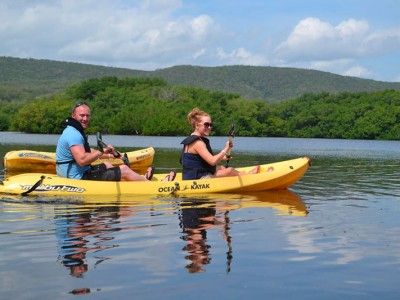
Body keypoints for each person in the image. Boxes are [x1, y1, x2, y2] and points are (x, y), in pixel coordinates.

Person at [56, 101, 174, 181]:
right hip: (76, 178)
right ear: (73, 116)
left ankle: (139, 179)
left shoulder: (73, 130)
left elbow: (86, 151)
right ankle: (152, 185)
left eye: (88, 115)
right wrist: (100, 152)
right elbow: (82, 160)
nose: (85, 118)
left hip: (77, 173)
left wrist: (106, 153)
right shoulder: (73, 134)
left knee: (107, 165)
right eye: (82, 115)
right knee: (123, 169)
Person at [180, 108, 260, 180]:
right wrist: (225, 149)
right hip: (197, 180)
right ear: (197, 125)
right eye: (206, 124)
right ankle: (250, 176)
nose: (209, 127)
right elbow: (212, 161)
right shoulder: (197, 142)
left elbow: (200, 159)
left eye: (210, 125)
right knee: (229, 171)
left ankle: (244, 174)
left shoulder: (193, 138)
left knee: (220, 167)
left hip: (193, 175)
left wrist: (222, 157)